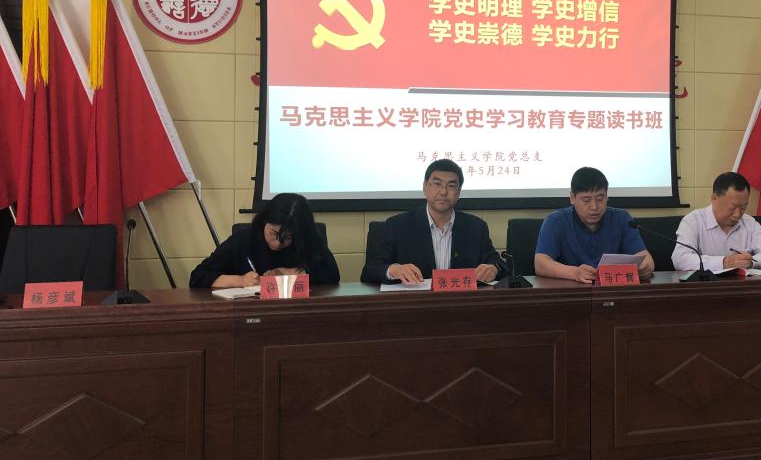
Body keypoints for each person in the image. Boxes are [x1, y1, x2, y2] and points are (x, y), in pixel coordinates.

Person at [360, 158, 504, 285]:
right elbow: (370, 271)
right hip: (415, 303)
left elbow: (499, 264)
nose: (443, 191)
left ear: (459, 192)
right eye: (437, 184)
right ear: (425, 187)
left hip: (461, 303)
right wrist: (393, 270)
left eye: (451, 186)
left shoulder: (476, 227)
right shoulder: (397, 226)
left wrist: (494, 269)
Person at [189, 192, 340, 288]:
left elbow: (332, 275)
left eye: (287, 237)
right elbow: (198, 277)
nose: (278, 243)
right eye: (273, 233)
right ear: (264, 221)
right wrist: (240, 280)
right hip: (251, 314)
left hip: (298, 313)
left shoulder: (306, 238)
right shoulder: (244, 240)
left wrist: (296, 273)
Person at [534, 166, 654, 283]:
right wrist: (575, 273)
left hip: (612, 290)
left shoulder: (622, 218)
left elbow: (645, 258)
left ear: (607, 196)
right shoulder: (556, 221)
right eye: (586, 200)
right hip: (571, 289)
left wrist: (644, 268)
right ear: (572, 198)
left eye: (600, 199)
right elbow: (540, 263)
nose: (594, 207)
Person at [672, 172, 761, 272]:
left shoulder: (749, 223)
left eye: (743, 207)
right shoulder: (693, 221)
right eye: (732, 207)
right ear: (714, 199)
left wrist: (751, 262)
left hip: (742, 286)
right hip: (706, 287)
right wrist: (724, 262)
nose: (737, 214)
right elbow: (680, 259)